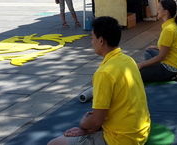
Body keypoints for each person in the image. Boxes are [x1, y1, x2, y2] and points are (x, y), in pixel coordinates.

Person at [47, 16, 151, 145]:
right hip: (141, 131)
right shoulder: (128, 60)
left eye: (92, 38)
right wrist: (87, 130)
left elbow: (97, 120)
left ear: (101, 40)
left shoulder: (104, 73)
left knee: (54, 143)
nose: (91, 42)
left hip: (122, 139)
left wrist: (83, 125)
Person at [138, 0, 177, 82]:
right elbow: (173, 46)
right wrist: (157, 47)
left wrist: (140, 65)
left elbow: (161, 57)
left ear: (165, 12)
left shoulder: (169, 29)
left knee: (137, 73)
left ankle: (162, 73)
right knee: (149, 51)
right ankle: (154, 70)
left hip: (171, 67)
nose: (157, 10)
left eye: (159, 8)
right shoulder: (174, 24)